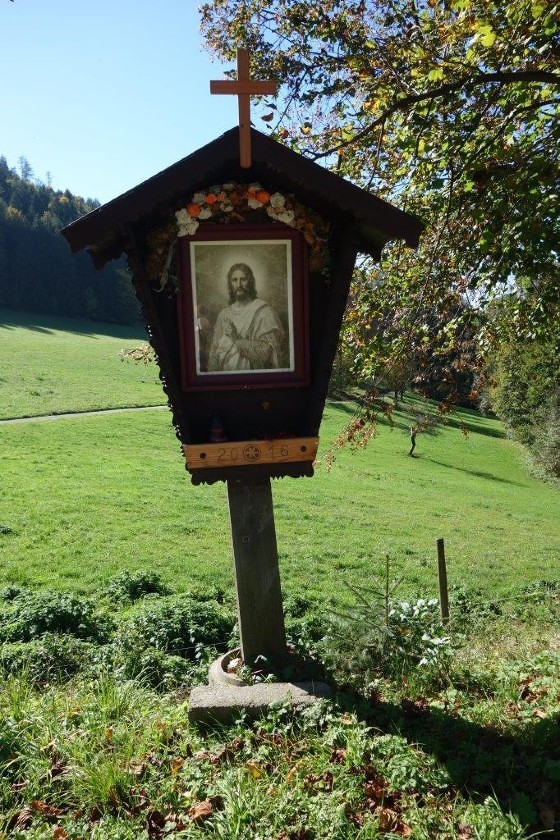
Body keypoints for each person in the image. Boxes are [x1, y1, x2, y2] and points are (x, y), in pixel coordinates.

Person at [207, 263, 286, 372]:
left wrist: (236, 338)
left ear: (250, 282)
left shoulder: (264, 312)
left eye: (243, 279)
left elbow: (266, 353)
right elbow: (214, 354)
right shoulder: (224, 315)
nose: (238, 284)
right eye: (234, 280)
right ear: (230, 284)